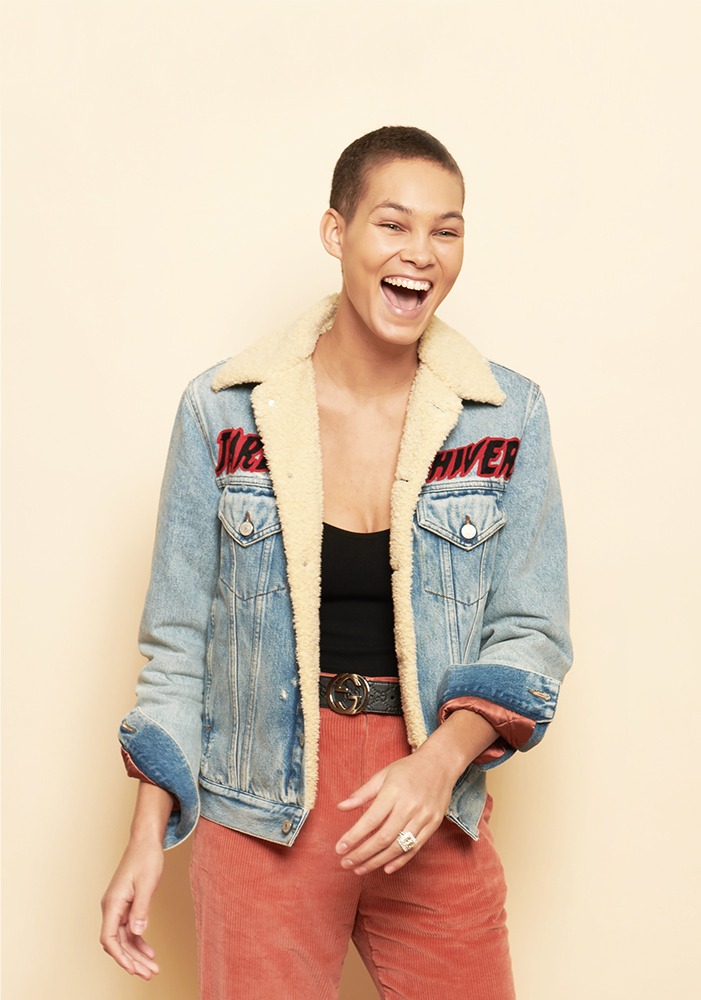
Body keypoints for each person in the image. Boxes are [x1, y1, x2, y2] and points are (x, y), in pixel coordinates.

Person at [100, 126, 572, 1000]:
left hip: (429, 797)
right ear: (336, 232)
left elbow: (530, 630)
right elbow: (178, 641)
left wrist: (437, 765)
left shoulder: (506, 416)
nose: (420, 253)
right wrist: (144, 837)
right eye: (392, 224)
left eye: (445, 230)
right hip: (257, 805)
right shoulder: (221, 411)